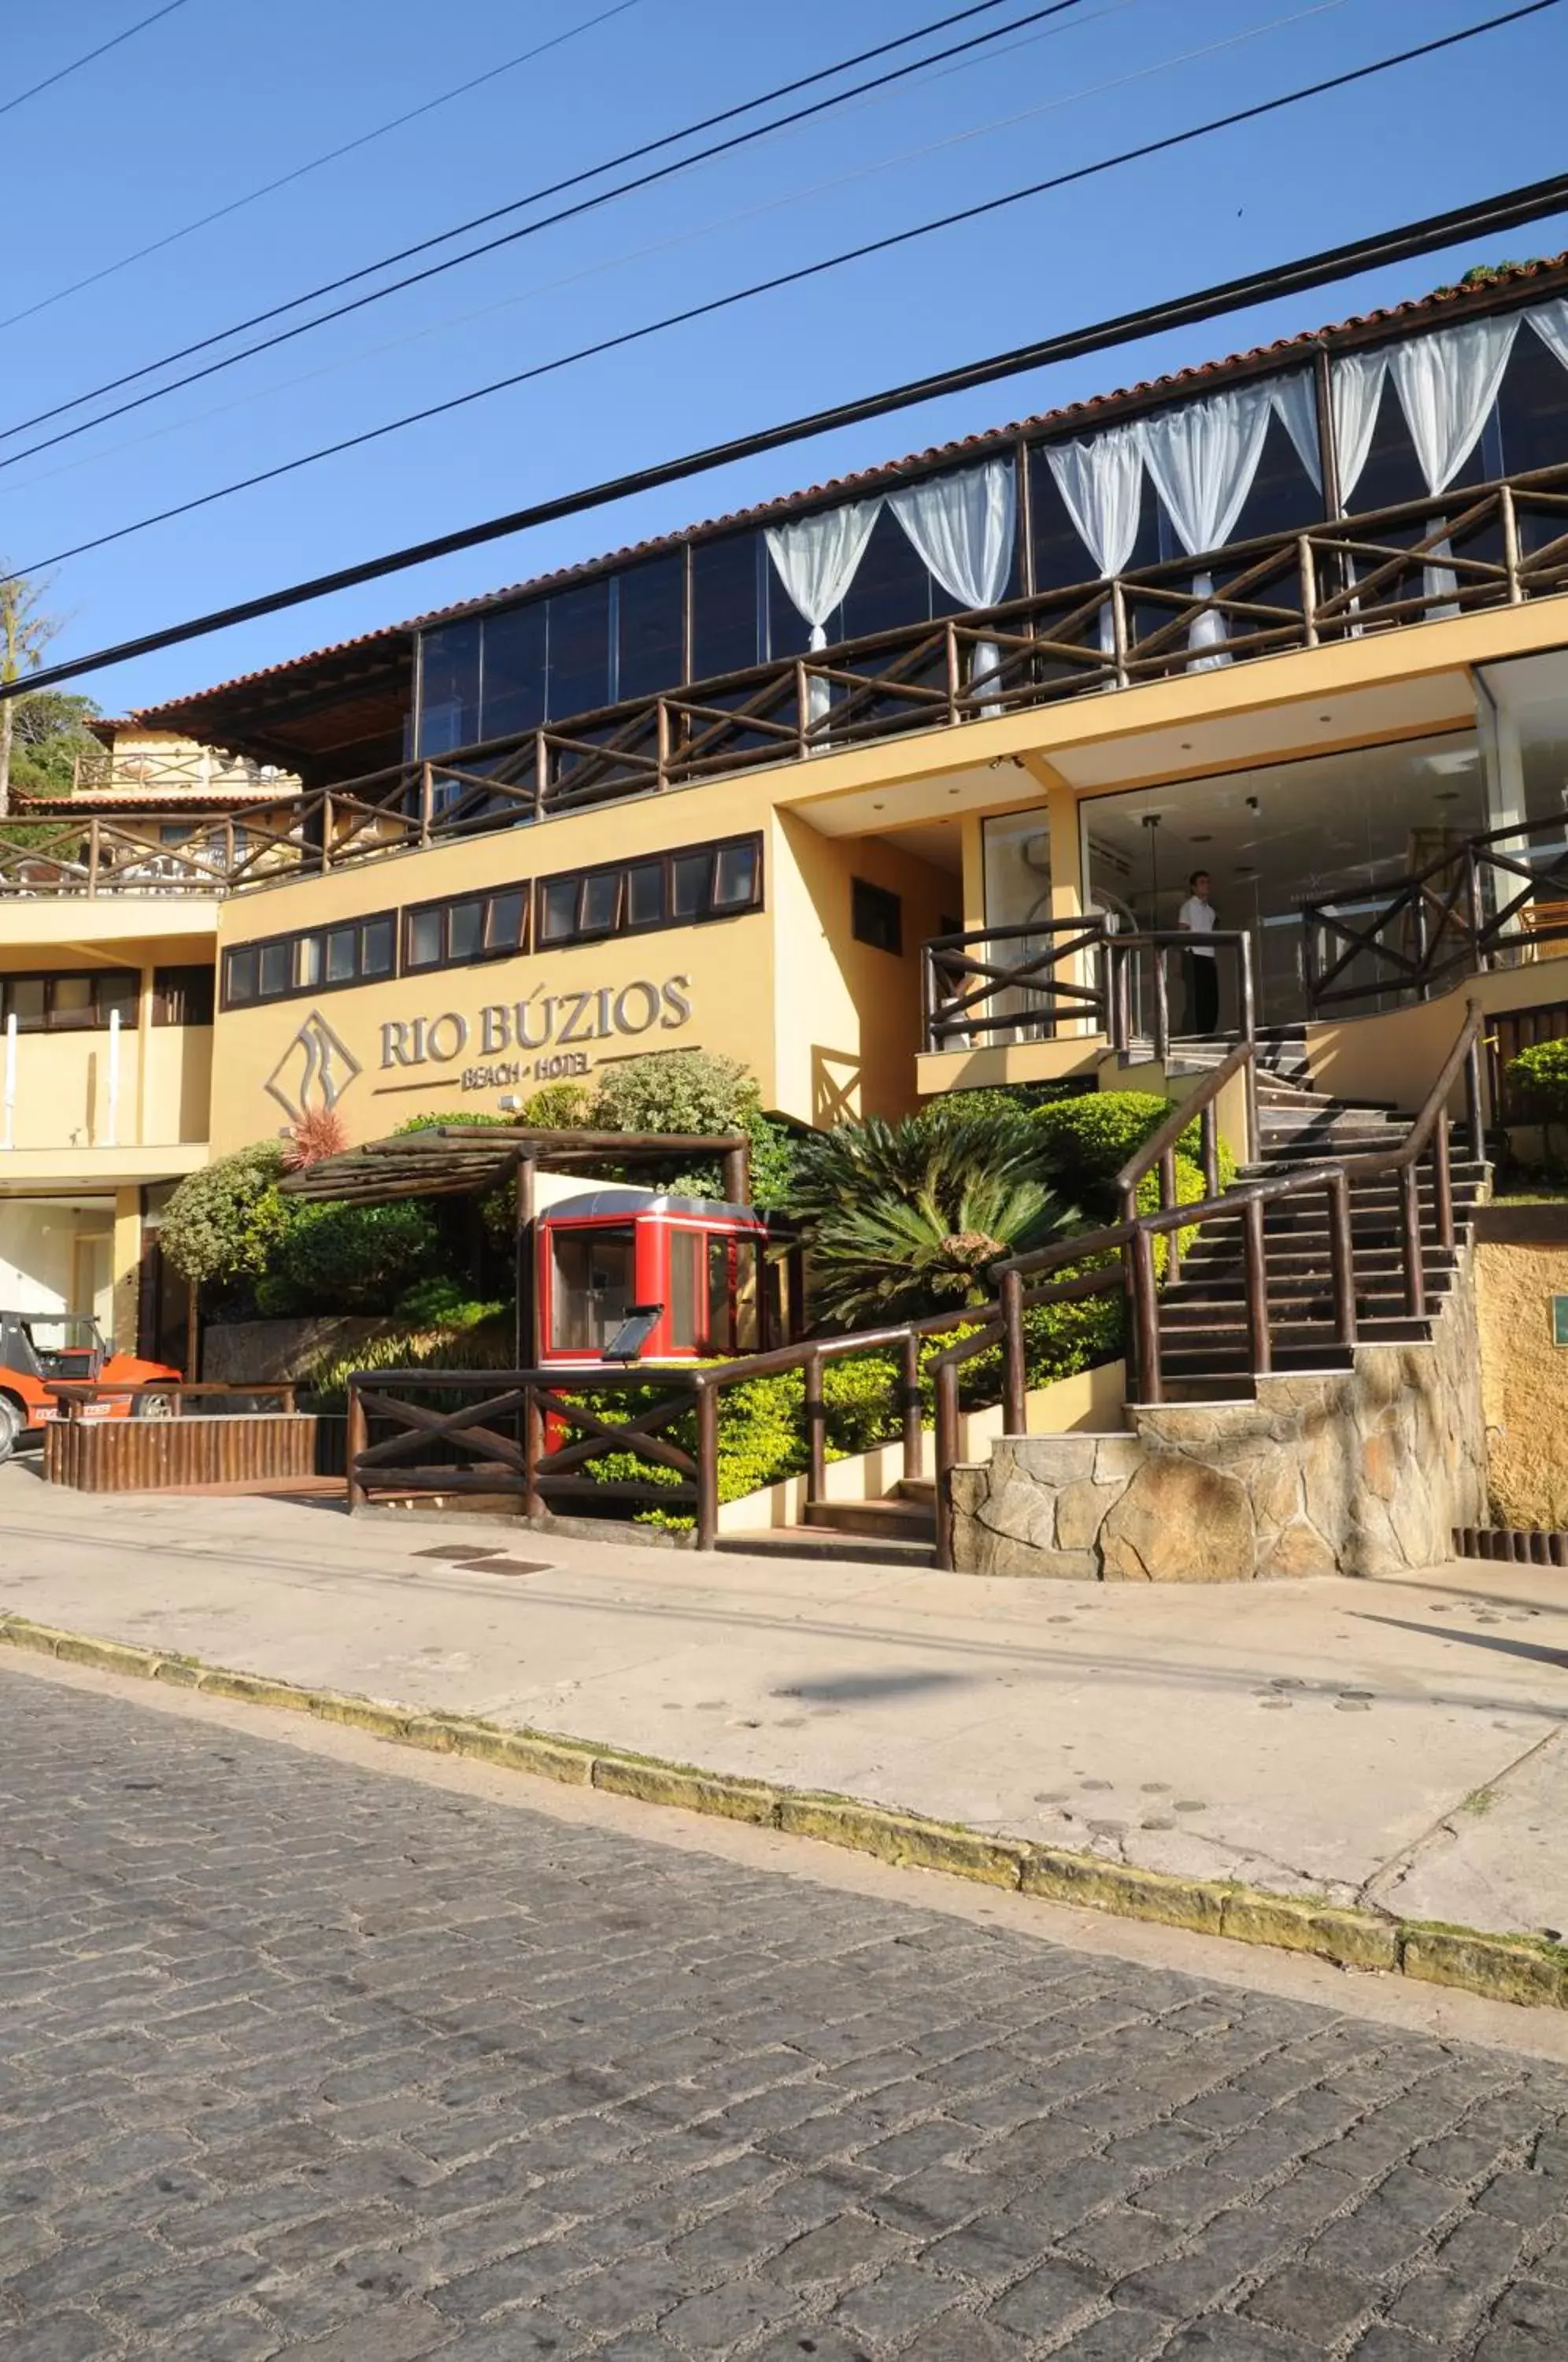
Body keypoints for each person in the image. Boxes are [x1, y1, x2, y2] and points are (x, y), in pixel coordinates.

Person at [1178, 868, 1219, 1037]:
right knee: (1197, 1000)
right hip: (1194, 956)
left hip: (1209, 957)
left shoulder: (1211, 911)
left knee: (1212, 999)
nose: (1206, 886)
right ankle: (1196, 1035)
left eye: (1208, 882)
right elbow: (1182, 933)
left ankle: (1209, 1033)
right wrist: (1182, 961)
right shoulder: (1188, 907)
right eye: (1202, 882)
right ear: (1194, 887)